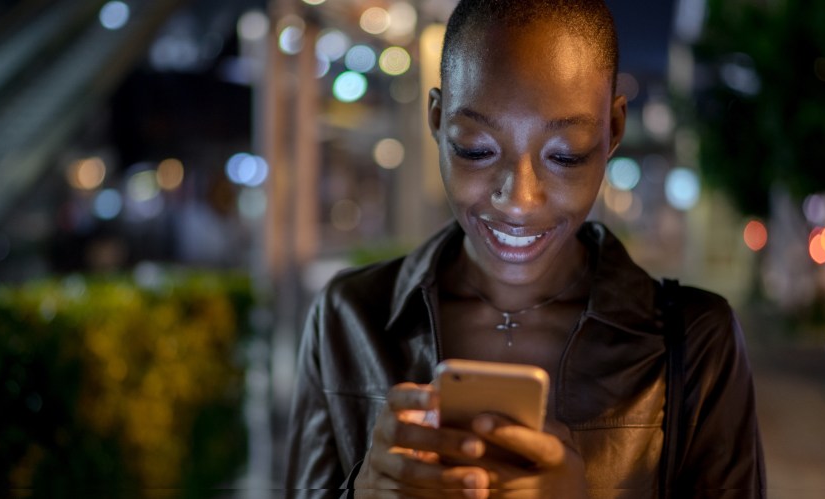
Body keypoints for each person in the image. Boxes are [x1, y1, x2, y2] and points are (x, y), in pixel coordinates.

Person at [284, 0, 766, 496]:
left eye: (565, 156)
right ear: (435, 117)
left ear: (613, 131)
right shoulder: (348, 318)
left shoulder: (695, 343)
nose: (518, 200)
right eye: (475, 149)